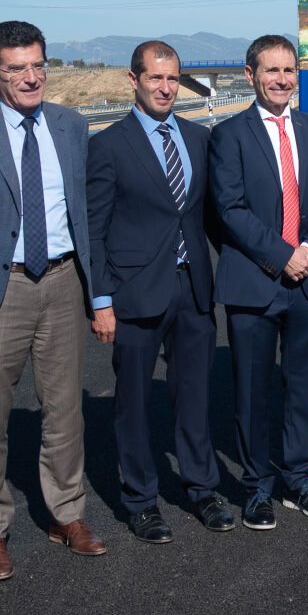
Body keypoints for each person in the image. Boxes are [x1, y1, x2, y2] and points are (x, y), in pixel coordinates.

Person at [0, 20, 106, 581]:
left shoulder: (70, 126)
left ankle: (68, 515)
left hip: (62, 282)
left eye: (38, 65)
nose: (31, 77)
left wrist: (98, 293)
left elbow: (84, 218)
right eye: (16, 69)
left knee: (65, 411)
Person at [87, 41, 231, 543]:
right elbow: (95, 229)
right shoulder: (107, 145)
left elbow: (209, 217)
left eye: (173, 79)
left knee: (194, 396)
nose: (166, 88)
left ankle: (202, 487)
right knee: (133, 403)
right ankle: (141, 500)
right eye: (156, 79)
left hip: (193, 289)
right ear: (134, 81)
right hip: (134, 294)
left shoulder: (198, 139)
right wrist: (101, 301)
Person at [209, 34, 308, 530]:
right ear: (251, 75)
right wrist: (281, 255)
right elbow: (229, 209)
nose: (282, 80)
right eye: (272, 71)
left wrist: (307, 252)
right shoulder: (229, 135)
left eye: (289, 70)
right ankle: (256, 487)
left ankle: (299, 478)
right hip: (255, 283)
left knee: (302, 386)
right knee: (251, 391)